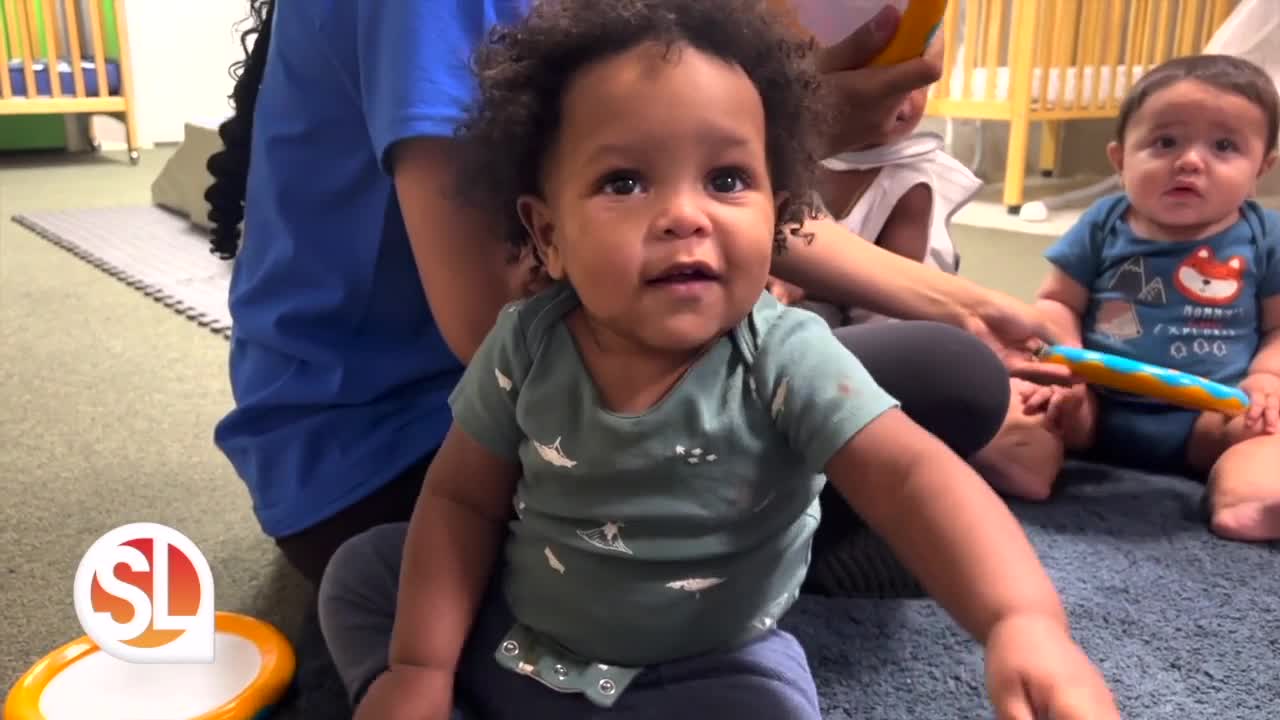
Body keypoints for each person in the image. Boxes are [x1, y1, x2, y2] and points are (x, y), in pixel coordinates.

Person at [315, 3, 1121, 719]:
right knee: (367, 573)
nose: (684, 215)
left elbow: (915, 478)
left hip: (704, 672)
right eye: (624, 182)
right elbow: (461, 501)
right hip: (524, 644)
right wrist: (420, 667)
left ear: (780, 216)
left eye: (727, 179)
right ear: (548, 234)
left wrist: (1022, 622)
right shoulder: (526, 343)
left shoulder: (786, 356)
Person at [203, 0, 1064, 590]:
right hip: (392, 462)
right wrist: (793, 136)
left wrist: (969, 307)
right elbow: (493, 326)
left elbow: (677, 196)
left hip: (468, 420)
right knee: (945, 383)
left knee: (949, 365)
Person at [977, 54, 1280, 543]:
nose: (1189, 161)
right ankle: (1018, 462)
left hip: (1214, 414)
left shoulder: (1266, 236)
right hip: (1093, 405)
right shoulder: (1104, 221)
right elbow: (1058, 302)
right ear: (1120, 159)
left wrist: (1267, 379)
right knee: (1019, 404)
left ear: (1261, 168)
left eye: (1224, 146)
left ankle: (1251, 495)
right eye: (1165, 142)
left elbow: (1278, 328)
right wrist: (1061, 365)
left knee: (1266, 432)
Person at [766, 33, 983, 328]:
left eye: (917, 86)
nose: (903, 100)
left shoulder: (910, 184)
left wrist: (804, 283)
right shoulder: (801, 156)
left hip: (886, 315)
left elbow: (894, 297)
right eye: (882, 79)